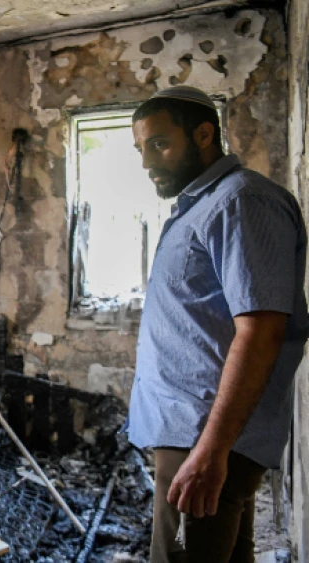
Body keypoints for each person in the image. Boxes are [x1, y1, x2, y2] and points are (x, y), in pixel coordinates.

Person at [126, 85, 309, 562]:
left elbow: (261, 330)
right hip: (195, 433)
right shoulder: (205, 206)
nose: (147, 162)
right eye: (140, 148)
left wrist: (211, 450)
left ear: (204, 134)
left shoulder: (241, 202)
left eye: (159, 143)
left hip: (203, 436)